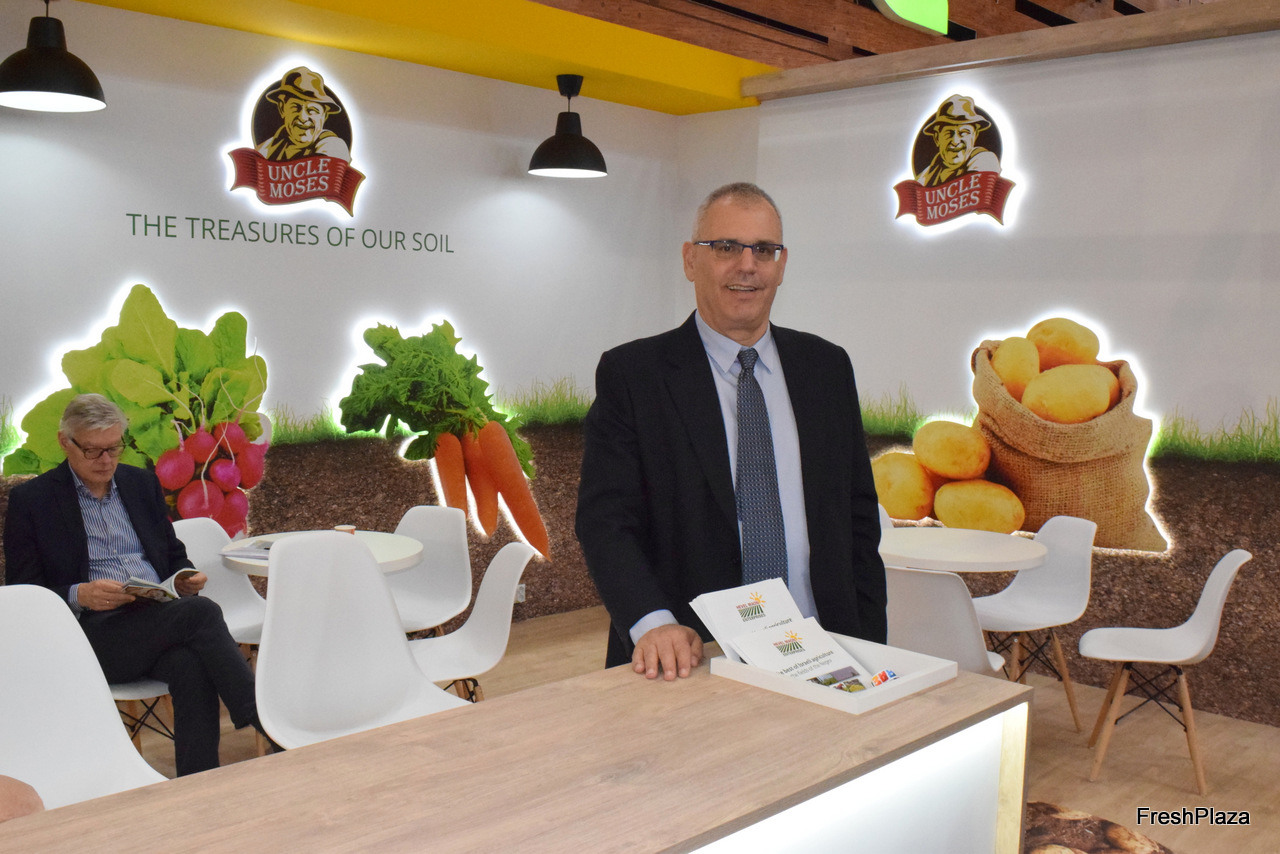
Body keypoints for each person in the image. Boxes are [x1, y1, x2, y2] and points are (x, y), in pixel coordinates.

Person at [575, 182, 886, 681]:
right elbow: (605, 522)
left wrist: (871, 644)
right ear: (690, 259)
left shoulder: (827, 368)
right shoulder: (634, 375)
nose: (747, 265)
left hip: (823, 649)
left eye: (763, 250)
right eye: (725, 247)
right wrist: (654, 623)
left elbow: (857, 520)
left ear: (781, 265)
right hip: (689, 658)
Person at [4, 394, 263, 776]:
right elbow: (23, 591)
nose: (106, 460)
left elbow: (173, 554)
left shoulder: (139, 483)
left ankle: (200, 782)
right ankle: (264, 718)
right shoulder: (33, 500)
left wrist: (186, 576)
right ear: (65, 442)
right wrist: (80, 594)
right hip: (94, 634)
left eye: (114, 448)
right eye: (93, 450)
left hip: (156, 616)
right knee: (201, 613)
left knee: (189, 664)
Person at [256, 66, 351, 162]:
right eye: (295, 107)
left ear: (324, 116)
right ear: (282, 109)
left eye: (312, 110)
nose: (303, 118)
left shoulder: (333, 146)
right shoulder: (265, 149)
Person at [914, 94, 1001, 187]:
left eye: (963, 133)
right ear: (937, 138)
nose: (955, 141)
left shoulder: (984, 159)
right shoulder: (926, 176)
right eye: (948, 133)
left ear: (974, 136)